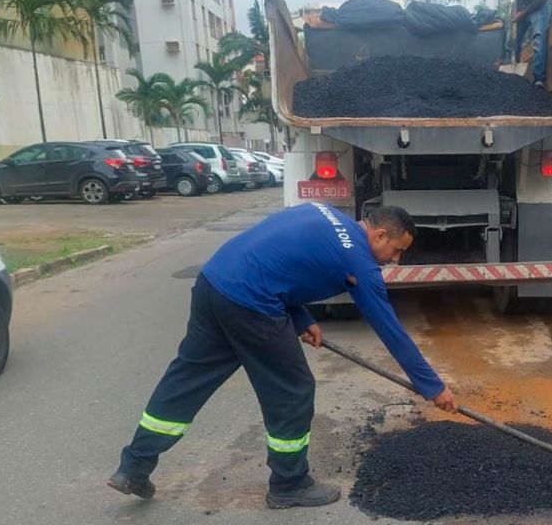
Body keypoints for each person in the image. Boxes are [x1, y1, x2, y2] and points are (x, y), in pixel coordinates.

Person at [107, 203, 457, 508]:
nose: (395, 260)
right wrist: (433, 387)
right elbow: (391, 332)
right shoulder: (361, 263)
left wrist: (300, 317)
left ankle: (133, 466)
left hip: (214, 284)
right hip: (250, 304)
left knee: (187, 380)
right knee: (292, 390)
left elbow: (279, 259)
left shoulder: (323, 212)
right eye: (396, 250)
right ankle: (289, 485)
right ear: (379, 235)